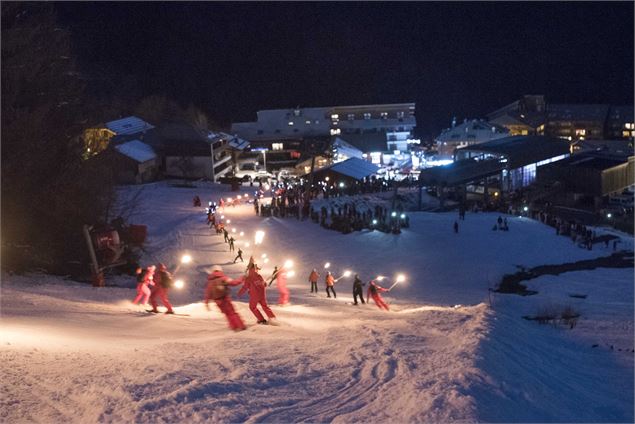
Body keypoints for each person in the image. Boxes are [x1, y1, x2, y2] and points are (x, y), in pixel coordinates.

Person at [204, 265, 246, 331]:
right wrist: (242, 278)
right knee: (232, 312)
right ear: (220, 270)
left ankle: (234, 327)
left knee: (228, 314)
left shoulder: (210, 282)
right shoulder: (223, 278)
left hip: (218, 301)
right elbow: (234, 283)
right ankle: (240, 326)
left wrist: (206, 303)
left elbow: (208, 293)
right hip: (225, 299)